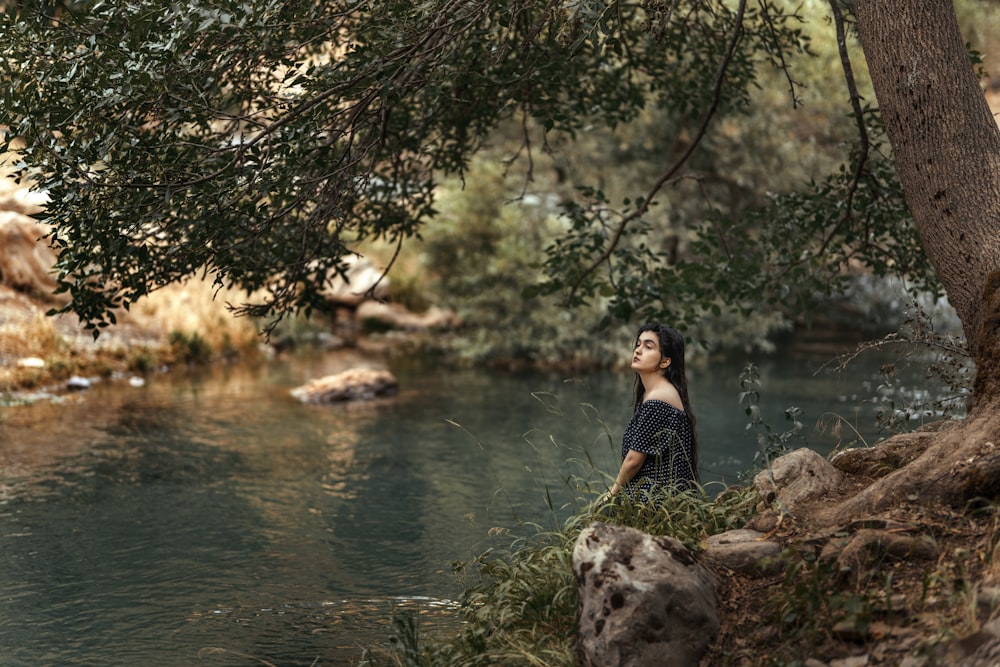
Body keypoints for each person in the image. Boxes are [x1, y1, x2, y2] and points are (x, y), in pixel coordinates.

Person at [607, 323, 699, 501]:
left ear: (665, 361)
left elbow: (633, 461)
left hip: (655, 498)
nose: (638, 351)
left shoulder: (658, 399)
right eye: (638, 344)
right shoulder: (656, 394)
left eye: (648, 346)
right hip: (653, 493)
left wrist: (610, 496)